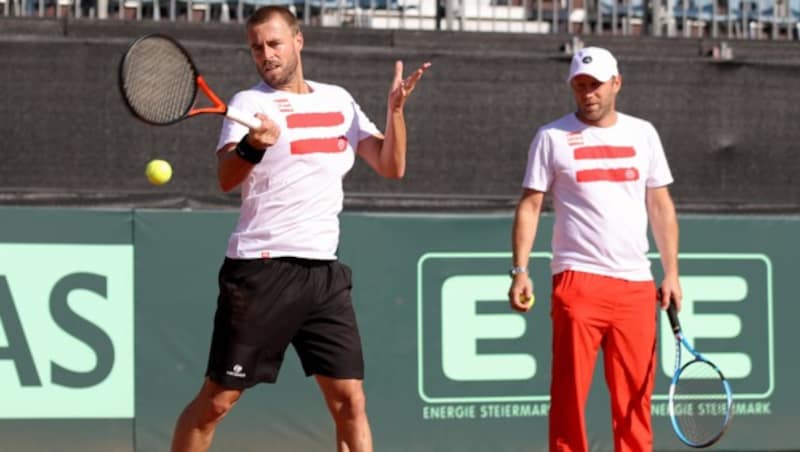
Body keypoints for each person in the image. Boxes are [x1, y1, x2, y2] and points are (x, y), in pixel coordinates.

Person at [170, 6, 430, 452]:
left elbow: (392, 165)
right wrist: (253, 145)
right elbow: (227, 178)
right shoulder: (249, 105)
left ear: (298, 41)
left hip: (324, 276)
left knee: (351, 402)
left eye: (273, 44)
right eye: (256, 47)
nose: (266, 55)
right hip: (261, 272)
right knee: (217, 402)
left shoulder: (338, 101)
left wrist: (396, 112)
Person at [507, 46, 682, 452]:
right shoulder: (551, 137)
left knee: (634, 404)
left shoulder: (644, 134)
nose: (589, 93)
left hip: (636, 286)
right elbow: (530, 205)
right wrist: (520, 270)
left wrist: (671, 271)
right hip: (577, 281)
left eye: (596, 85)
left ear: (616, 83)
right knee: (568, 400)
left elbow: (660, 205)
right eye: (580, 85)